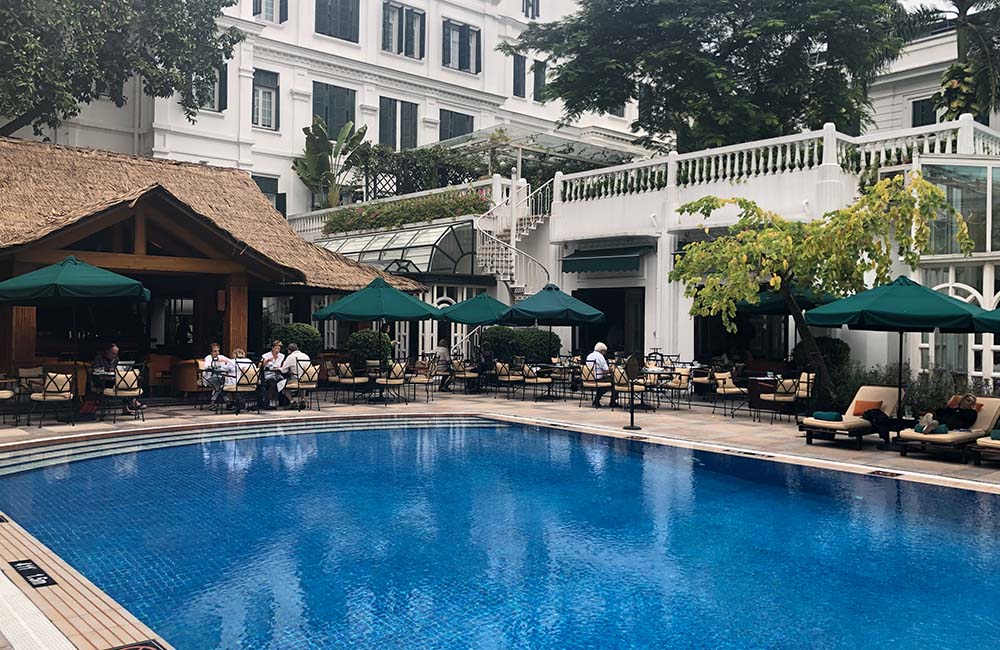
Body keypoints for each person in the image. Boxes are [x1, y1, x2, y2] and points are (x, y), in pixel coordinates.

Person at [278, 343, 311, 408]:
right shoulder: (306, 356)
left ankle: (292, 401)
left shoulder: (291, 357)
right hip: (308, 380)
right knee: (302, 381)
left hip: (296, 380)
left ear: (289, 351)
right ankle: (303, 400)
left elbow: (283, 370)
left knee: (280, 384)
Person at [586, 342, 616, 408]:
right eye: (605, 352)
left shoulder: (589, 355)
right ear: (602, 351)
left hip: (589, 377)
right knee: (615, 382)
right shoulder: (600, 357)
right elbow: (606, 370)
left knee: (604, 385)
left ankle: (596, 400)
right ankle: (613, 402)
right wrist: (611, 367)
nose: (605, 353)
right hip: (598, 377)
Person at [259, 340, 285, 409]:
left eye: (279, 349)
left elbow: (283, 365)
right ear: (272, 348)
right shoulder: (266, 355)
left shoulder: (282, 356)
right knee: (272, 382)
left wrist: (280, 368)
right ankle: (271, 401)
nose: (277, 350)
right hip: (268, 373)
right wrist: (267, 361)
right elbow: (260, 366)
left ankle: (278, 400)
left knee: (281, 381)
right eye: (276, 348)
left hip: (278, 373)